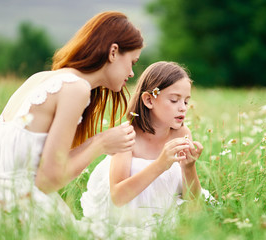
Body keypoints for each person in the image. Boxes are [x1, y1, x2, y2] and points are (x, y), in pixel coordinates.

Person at [0, 11, 143, 227]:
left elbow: (38, 167)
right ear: (113, 52)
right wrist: (101, 143)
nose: (131, 73)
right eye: (132, 62)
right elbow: (47, 181)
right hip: (23, 210)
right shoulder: (75, 88)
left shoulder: (41, 78)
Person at [80, 61, 215, 237]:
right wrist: (161, 164)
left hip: (164, 217)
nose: (182, 107)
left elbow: (193, 204)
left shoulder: (181, 133)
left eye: (186, 101)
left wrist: (189, 168)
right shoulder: (127, 135)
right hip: (127, 218)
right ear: (149, 100)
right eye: (174, 100)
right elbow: (118, 197)